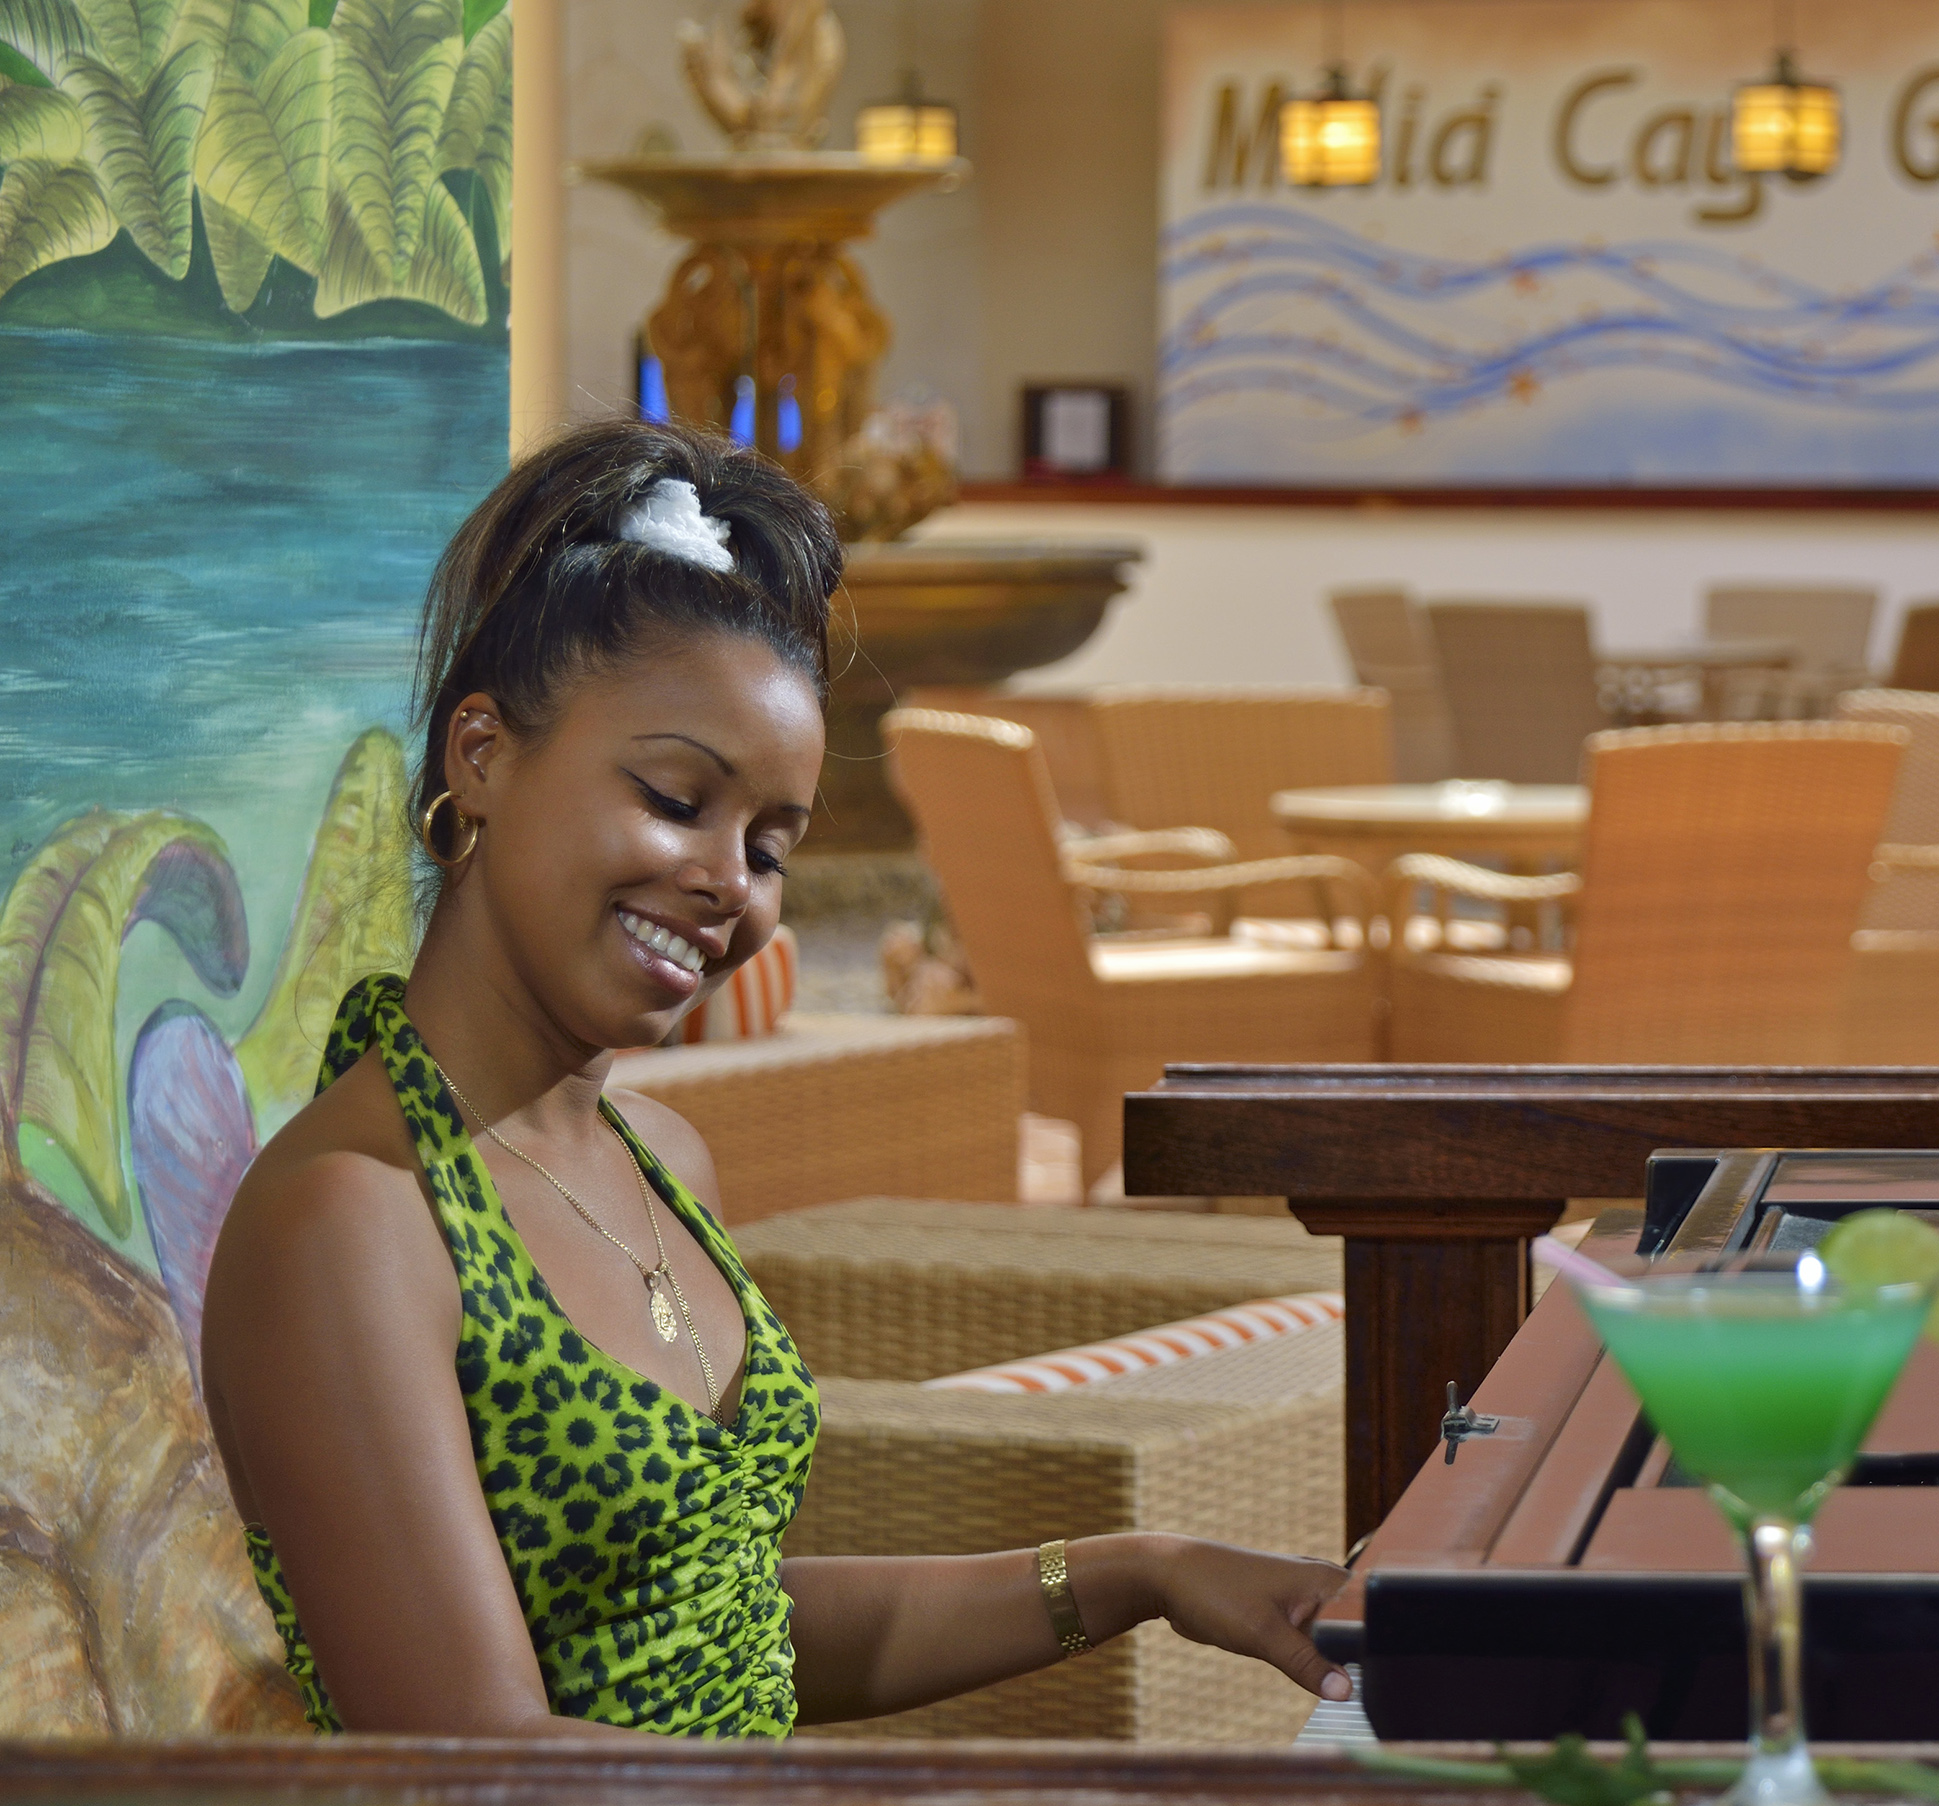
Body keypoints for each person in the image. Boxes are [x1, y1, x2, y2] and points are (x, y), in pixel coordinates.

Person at [200, 421, 1351, 1737]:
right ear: (480, 756)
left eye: (769, 843)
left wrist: (1144, 1569)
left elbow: (727, 1628)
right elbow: (483, 1775)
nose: (726, 886)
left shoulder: (663, 1160)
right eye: (676, 798)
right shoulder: (352, 1219)